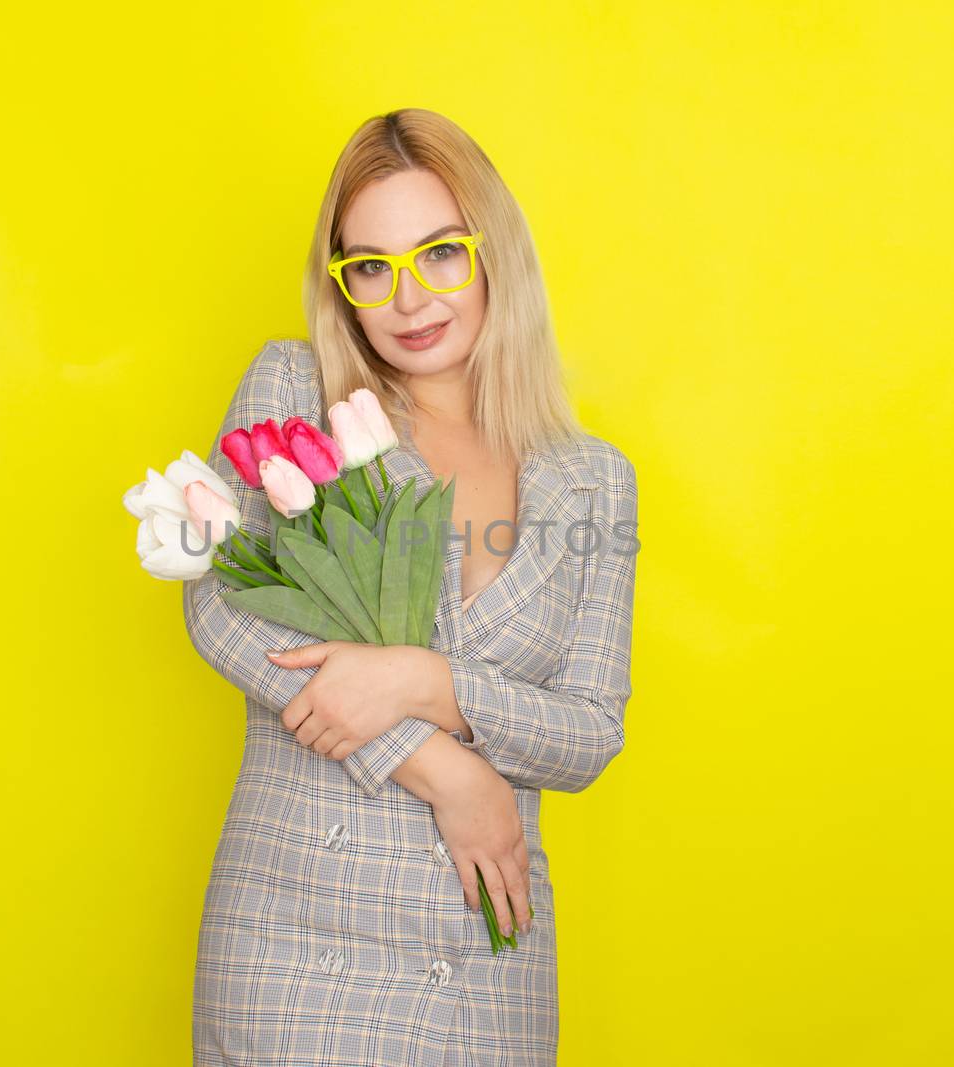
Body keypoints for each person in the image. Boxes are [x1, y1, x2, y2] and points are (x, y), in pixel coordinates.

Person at [184, 107, 639, 1067]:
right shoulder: (296, 391)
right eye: (371, 267)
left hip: (486, 959)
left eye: (440, 253)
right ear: (341, 285)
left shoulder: (592, 479)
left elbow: (590, 731)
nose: (408, 297)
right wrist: (447, 769)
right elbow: (220, 609)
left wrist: (425, 681)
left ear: (494, 255)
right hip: (297, 945)